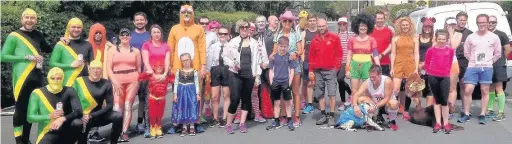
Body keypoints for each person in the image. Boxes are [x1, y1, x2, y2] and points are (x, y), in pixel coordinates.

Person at [1, 8, 53, 144]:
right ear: (22, 19)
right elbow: (3, 56)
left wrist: (64, 40)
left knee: (32, 109)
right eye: (27, 17)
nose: (29, 20)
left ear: (35, 20)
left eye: (32, 18)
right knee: (20, 109)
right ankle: (18, 140)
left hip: (37, 76)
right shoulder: (14, 35)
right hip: (21, 77)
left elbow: (49, 49)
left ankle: (26, 139)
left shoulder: (38, 35)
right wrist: (27, 57)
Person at [223, 19, 268, 134]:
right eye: (242, 28)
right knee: (235, 99)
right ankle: (228, 124)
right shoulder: (232, 42)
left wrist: (257, 75)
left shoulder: (254, 43)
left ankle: (242, 123)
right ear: (239, 29)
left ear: (249, 29)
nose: (244, 30)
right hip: (235, 74)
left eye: (246, 28)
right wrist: (233, 64)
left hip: (249, 75)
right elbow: (225, 57)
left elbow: (258, 61)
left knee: (246, 99)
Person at [167, 5, 207, 132]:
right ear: (179, 13)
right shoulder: (175, 29)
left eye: (188, 12)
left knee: (196, 95)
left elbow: (202, 48)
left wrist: (203, 66)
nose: (186, 14)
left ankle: (195, 121)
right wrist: (169, 65)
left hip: (194, 67)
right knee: (177, 95)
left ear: (193, 13)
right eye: (183, 12)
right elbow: (170, 49)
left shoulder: (198, 29)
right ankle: (177, 123)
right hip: (177, 68)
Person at [458, 14, 502, 125]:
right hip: (472, 67)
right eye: (479, 22)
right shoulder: (471, 37)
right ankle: (466, 113)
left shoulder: (494, 37)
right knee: (468, 90)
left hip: (487, 68)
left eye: (484, 22)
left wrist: (489, 62)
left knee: (485, 90)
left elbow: (498, 53)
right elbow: (466, 52)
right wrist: (473, 61)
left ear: (488, 23)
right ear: (477, 23)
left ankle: (483, 114)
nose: (481, 24)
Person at [27, 67, 83, 144]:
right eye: (52, 78)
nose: (55, 81)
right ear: (48, 79)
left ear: (63, 78)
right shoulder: (37, 93)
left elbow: (79, 111)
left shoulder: (69, 90)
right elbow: (30, 118)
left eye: (58, 78)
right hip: (48, 130)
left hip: (66, 129)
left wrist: (62, 118)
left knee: (78, 123)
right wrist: (49, 116)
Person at [74, 60, 123, 144]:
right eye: (93, 68)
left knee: (118, 116)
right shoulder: (78, 81)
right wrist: (81, 115)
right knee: (80, 132)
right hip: (82, 116)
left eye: (98, 69)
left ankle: (114, 142)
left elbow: (110, 105)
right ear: (89, 70)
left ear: (101, 70)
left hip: (97, 115)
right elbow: (72, 102)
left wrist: (92, 115)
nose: (95, 71)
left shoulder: (106, 83)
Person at [107, 28, 142, 141]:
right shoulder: (112, 50)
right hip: (117, 79)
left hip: (132, 79)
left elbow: (138, 68)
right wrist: (114, 81)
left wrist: (138, 80)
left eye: (127, 35)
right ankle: (117, 130)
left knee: (128, 105)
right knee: (117, 107)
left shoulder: (135, 51)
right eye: (122, 35)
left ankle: (125, 131)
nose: (124, 37)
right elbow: (108, 68)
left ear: (130, 37)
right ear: (119, 36)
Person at [271, 10, 303, 127]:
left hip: (294, 65)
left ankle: (297, 117)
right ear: (282, 21)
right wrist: (271, 57)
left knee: (295, 92)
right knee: (283, 92)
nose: (287, 23)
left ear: (292, 22)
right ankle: (284, 116)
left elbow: (300, 50)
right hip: (281, 67)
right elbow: (275, 51)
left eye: (290, 21)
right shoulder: (278, 35)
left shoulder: (296, 34)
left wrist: (296, 54)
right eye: (285, 20)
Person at [309, 17, 342, 127]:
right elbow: (311, 57)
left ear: (326, 26)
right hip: (318, 71)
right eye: (320, 26)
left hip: (331, 70)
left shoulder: (334, 38)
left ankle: (331, 116)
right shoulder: (314, 40)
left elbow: (339, 54)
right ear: (317, 27)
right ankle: (323, 115)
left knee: (332, 93)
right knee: (320, 94)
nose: (321, 28)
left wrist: (336, 68)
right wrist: (311, 71)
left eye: (323, 26)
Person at [140, 24, 172, 138]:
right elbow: (146, 61)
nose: (156, 34)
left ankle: (158, 125)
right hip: (150, 78)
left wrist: (164, 74)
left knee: (160, 103)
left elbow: (167, 60)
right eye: (154, 32)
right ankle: (150, 127)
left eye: (158, 32)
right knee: (149, 104)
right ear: (151, 34)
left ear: (161, 33)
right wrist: (153, 75)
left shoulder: (166, 46)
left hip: (162, 78)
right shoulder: (146, 45)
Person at [345, 13, 380, 112]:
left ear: (368, 27)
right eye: (361, 25)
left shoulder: (372, 40)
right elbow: (349, 55)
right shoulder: (352, 40)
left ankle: (366, 110)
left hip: (367, 66)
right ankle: (354, 109)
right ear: (357, 26)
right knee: (354, 90)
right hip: (354, 66)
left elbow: (376, 55)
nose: (363, 28)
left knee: (366, 90)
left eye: (365, 26)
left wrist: (378, 68)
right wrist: (347, 69)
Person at [351, 65, 400, 131]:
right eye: (370, 77)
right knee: (360, 99)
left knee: (394, 103)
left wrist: (375, 106)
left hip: (386, 104)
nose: (372, 79)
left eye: (374, 77)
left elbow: (386, 98)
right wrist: (355, 106)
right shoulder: (367, 82)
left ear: (380, 75)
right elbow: (356, 95)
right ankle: (376, 116)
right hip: (374, 102)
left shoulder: (387, 81)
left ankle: (392, 120)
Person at [424, 30, 454, 133]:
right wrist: (430, 72)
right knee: (436, 100)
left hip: (445, 77)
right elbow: (427, 63)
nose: (441, 41)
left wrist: (446, 72)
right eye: (439, 39)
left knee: (444, 101)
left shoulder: (450, 50)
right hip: (433, 76)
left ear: (447, 40)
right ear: (436, 39)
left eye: (443, 39)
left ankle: (446, 123)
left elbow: (450, 63)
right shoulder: (431, 50)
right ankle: (438, 123)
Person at [390, 16, 419, 121]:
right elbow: (393, 53)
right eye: (403, 25)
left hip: (410, 64)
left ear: (410, 26)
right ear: (400, 26)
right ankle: (394, 108)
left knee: (408, 90)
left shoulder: (415, 38)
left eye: (407, 25)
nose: (405, 27)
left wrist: (416, 68)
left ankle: (405, 109)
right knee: (396, 89)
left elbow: (416, 53)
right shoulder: (395, 38)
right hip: (398, 63)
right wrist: (392, 67)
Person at [50, 18, 94, 87]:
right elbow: (52, 64)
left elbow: (92, 65)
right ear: (68, 28)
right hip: (66, 84)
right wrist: (70, 65)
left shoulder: (87, 44)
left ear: (82, 29)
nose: (76, 29)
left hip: (84, 85)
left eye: (79, 27)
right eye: (73, 27)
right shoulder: (61, 44)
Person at [266, 36, 296, 131]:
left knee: (288, 103)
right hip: (276, 82)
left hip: (285, 82)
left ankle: (289, 120)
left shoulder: (290, 57)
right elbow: (270, 70)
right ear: (278, 46)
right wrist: (271, 82)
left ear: (288, 47)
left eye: (285, 46)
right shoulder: (273, 57)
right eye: (281, 46)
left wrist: (289, 82)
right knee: (276, 103)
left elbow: (292, 71)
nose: (283, 48)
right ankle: (276, 120)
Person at [139, 60, 174, 139]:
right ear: (154, 67)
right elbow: (140, 78)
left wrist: (170, 71)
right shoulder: (150, 76)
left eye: (161, 67)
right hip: (152, 98)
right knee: (152, 115)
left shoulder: (166, 76)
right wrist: (146, 72)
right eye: (157, 66)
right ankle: (152, 128)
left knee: (159, 114)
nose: (159, 68)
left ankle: (158, 127)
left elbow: (173, 79)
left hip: (161, 99)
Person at [129, 12, 151, 135]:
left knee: (143, 99)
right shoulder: (129, 36)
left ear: (146, 21)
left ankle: (140, 122)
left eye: (142, 20)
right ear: (134, 22)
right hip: (132, 73)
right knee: (130, 99)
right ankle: (125, 125)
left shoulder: (151, 35)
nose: (139, 22)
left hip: (146, 73)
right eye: (137, 20)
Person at [486, 15, 511, 121]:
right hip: (487, 64)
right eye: (489, 22)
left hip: (498, 65)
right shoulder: (484, 34)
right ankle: (490, 109)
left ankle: (501, 112)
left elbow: (507, 49)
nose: (491, 24)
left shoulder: (502, 34)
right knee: (490, 87)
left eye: (493, 22)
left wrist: (501, 61)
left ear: (496, 23)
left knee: (499, 88)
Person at [207, 27, 232, 127]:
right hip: (215, 70)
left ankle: (225, 117)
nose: (222, 36)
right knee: (214, 96)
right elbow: (209, 60)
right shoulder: (213, 46)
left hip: (226, 69)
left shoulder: (230, 46)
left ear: (228, 35)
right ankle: (215, 118)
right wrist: (208, 72)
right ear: (217, 35)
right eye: (221, 34)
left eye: (225, 34)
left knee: (226, 95)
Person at [172, 53, 201, 137]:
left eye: (187, 60)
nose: (185, 62)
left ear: (190, 60)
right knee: (182, 107)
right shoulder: (179, 71)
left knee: (192, 107)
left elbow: (196, 83)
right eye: (183, 61)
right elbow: (176, 83)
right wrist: (175, 94)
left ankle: (191, 126)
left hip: (191, 92)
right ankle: (184, 126)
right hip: (181, 92)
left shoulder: (194, 71)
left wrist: (197, 94)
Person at [439, 17, 463, 118]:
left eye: (453, 24)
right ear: (445, 24)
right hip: (441, 63)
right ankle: (442, 107)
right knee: (441, 87)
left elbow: (453, 46)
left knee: (452, 88)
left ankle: (450, 109)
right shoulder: (440, 33)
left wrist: (451, 33)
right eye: (450, 25)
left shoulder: (458, 34)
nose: (452, 26)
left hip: (452, 63)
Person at [254, 15, 276, 119]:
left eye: (263, 21)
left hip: (269, 65)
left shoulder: (272, 35)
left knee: (273, 86)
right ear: (256, 23)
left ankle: (276, 110)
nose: (261, 23)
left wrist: (267, 62)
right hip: (257, 66)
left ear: (266, 23)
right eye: (259, 22)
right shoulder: (254, 36)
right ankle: (262, 110)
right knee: (259, 89)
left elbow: (274, 51)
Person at [454, 12, 473, 115]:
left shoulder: (470, 33)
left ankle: (464, 107)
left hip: (464, 61)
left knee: (463, 85)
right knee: (451, 86)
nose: (462, 22)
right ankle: (450, 107)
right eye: (461, 20)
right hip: (452, 61)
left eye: (464, 20)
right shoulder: (452, 31)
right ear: (457, 20)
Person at [335, 16, 355, 111]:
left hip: (347, 61)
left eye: (344, 24)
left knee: (340, 78)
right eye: (340, 24)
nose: (342, 25)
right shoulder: (336, 35)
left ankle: (351, 95)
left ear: (347, 25)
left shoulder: (352, 34)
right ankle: (344, 101)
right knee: (339, 81)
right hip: (338, 61)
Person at [302, 14, 319, 114]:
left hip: (319, 62)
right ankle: (309, 104)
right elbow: (302, 49)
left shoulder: (319, 32)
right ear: (307, 22)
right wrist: (304, 60)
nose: (312, 22)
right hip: (308, 61)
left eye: (314, 20)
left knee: (319, 83)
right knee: (309, 83)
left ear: (316, 21)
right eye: (310, 21)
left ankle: (321, 103)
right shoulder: (305, 33)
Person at [417, 17, 435, 106]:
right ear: (422, 27)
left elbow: (433, 53)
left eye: (429, 27)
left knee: (429, 88)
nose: (427, 28)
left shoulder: (434, 39)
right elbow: (414, 51)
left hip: (430, 65)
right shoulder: (417, 37)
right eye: (425, 27)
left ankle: (428, 109)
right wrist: (418, 64)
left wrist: (424, 64)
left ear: (432, 28)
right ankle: (418, 107)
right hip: (418, 65)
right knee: (417, 87)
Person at [372, 11, 394, 77]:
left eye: (381, 18)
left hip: (385, 62)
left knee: (385, 84)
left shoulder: (389, 31)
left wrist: (382, 54)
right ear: (375, 19)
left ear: (384, 19)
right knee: (373, 84)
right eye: (378, 18)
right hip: (372, 62)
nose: (380, 20)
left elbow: (392, 44)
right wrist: (375, 56)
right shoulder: (370, 31)